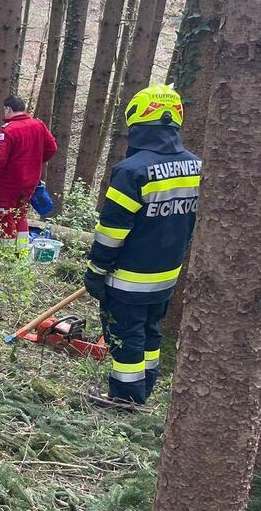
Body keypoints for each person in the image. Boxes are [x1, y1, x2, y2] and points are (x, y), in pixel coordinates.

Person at [84, 84, 200, 407]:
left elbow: (112, 231)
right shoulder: (196, 167)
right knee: (150, 331)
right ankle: (145, 385)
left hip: (128, 279)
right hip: (167, 276)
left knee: (127, 337)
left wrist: (96, 269)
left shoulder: (131, 171)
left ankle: (125, 398)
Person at [0, 95, 56, 251]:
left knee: (4, 216)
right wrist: (35, 162)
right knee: (20, 215)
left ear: (8, 109)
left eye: (5, 110)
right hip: (30, 182)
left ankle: (7, 254)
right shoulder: (38, 125)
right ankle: (21, 253)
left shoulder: (7, 131)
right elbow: (52, 148)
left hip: (9, 183)